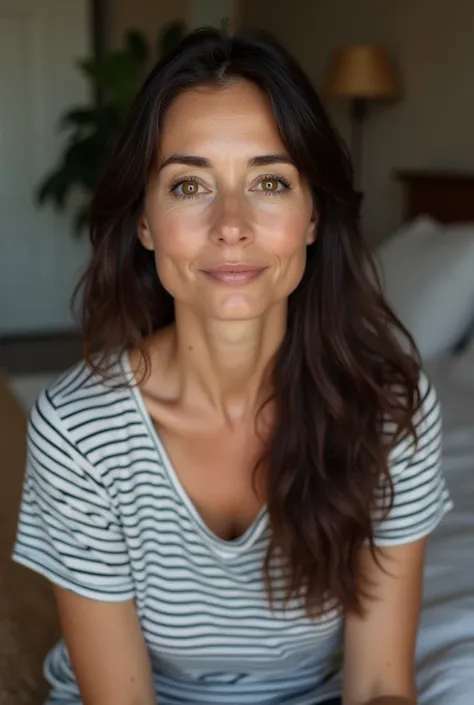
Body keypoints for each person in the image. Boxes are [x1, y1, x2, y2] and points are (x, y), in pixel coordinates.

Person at [13, 27, 452, 705]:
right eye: (190, 185)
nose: (231, 223)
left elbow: (377, 683)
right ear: (145, 222)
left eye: (269, 181)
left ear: (311, 216)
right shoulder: (77, 427)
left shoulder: (389, 409)